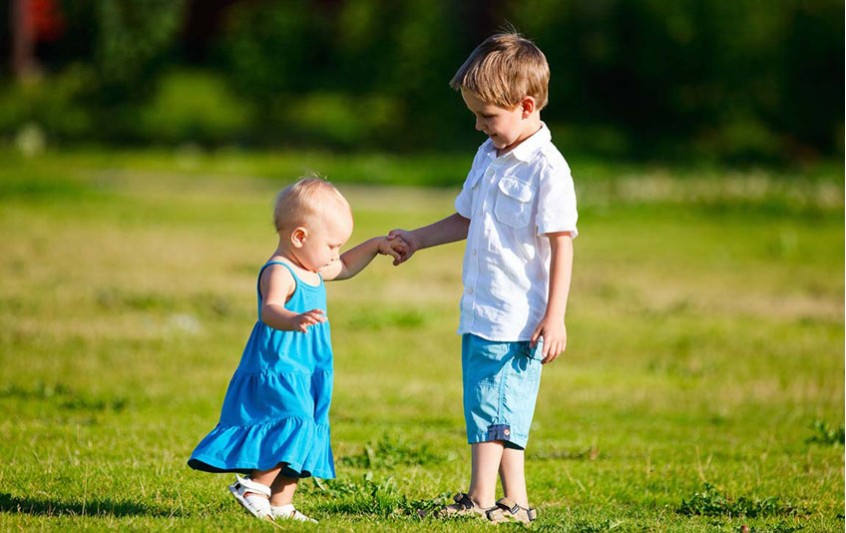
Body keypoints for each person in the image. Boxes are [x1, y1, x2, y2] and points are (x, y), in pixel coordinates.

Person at [387, 31, 578, 524]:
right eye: (475, 114)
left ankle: (480, 497)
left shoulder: (547, 168)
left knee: (491, 412)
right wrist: (417, 239)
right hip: (480, 307)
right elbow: (466, 218)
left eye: (487, 116)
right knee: (497, 407)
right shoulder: (488, 158)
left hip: (516, 315)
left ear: (526, 105)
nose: (478, 126)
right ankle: (514, 503)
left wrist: (555, 317)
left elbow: (562, 243)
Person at [188, 176, 406, 523]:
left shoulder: (312, 266)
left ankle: (282, 504)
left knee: (308, 427)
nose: (335, 254)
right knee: (295, 422)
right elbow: (269, 309)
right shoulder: (281, 270)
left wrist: (377, 245)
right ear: (300, 237)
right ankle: (254, 486)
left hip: (309, 366)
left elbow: (347, 267)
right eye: (332, 246)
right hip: (279, 365)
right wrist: (292, 318)